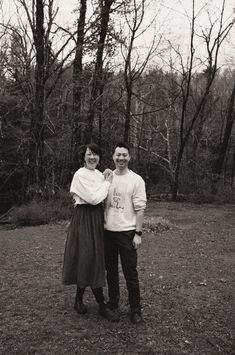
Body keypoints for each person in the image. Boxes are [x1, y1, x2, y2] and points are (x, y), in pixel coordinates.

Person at [62, 143, 113, 319]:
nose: (92, 157)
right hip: (84, 218)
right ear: (84, 157)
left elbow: (103, 198)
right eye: (89, 154)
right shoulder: (79, 175)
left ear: (99, 158)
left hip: (96, 218)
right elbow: (92, 198)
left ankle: (78, 299)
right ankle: (101, 305)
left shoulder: (99, 175)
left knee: (93, 256)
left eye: (96, 155)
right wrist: (106, 183)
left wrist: (106, 181)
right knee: (87, 255)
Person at [104, 142, 147, 324]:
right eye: (118, 155)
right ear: (113, 157)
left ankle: (135, 309)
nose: (121, 158)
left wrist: (138, 233)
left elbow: (140, 209)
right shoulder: (106, 178)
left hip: (127, 233)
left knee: (130, 272)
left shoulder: (136, 180)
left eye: (124, 155)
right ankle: (113, 303)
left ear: (129, 157)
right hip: (107, 233)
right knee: (111, 271)